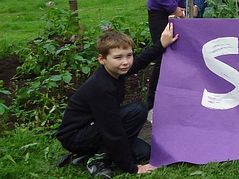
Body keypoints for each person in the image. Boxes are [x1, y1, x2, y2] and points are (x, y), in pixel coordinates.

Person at [56, 24, 178, 176]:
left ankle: (94, 154)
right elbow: (113, 131)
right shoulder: (102, 87)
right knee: (137, 110)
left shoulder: (115, 71)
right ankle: (97, 158)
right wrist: (133, 168)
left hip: (94, 127)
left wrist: (161, 44)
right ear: (102, 59)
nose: (125, 62)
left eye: (129, 55)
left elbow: (140, 62)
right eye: (118, 57)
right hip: (77, 137)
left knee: (144, 152)